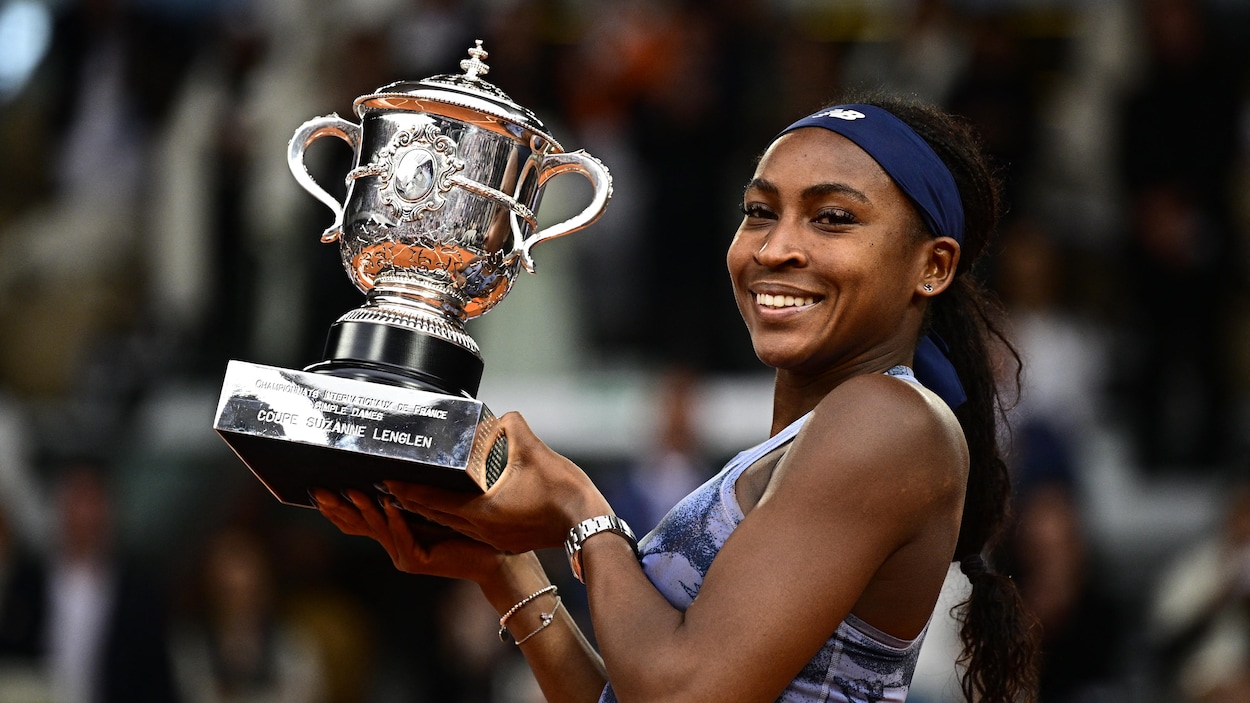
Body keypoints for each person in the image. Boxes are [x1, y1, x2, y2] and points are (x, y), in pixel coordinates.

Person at [310, 94, 1040, 702]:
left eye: (833, 218)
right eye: (759, 211)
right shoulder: (819, 438)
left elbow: (683, 695)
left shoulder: (887, 421)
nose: (775, 247)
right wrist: (502, 570)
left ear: (933, 267)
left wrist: (578, 505)